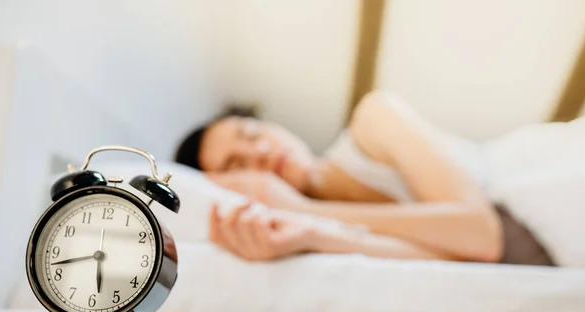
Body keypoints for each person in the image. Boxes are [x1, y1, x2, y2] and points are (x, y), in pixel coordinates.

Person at [175, 91, 554, 265]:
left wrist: (306, 210)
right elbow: (458, 257)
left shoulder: (373, 120)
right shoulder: (309, 229)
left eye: (252, 133)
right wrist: (313, 227)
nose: (259, 153)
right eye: (236, 166)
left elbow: (482, 235)